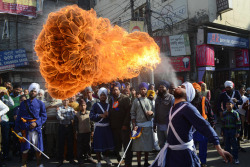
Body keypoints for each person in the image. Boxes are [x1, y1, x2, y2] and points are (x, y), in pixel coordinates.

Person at [151, 82, 232, 167]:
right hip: (171, 153)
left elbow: (205, 126)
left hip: (184, 156)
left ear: (188, 93)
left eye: (183, 87)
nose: (178, 86)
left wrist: (219, 148)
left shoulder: (188, 108)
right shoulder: (173, 107)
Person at [14, 83, 47, 167]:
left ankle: (38, 164)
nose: (33, 92)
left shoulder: (40, 103)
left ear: (37, 93)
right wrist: (17, 129)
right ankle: (24, 164)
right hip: (25, 128)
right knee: (25, 149)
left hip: (36, 129)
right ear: (29, 92)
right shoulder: (23, 103)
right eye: (32, 91)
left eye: (35, 91)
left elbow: (44, 116)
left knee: (38, 148)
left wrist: (36, 123)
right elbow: (19, 117)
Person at [109, 82, 132, 167]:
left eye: (116, 90)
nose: (115, 92)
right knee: (117, 146)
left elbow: (128, 113)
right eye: (113, 90)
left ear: (119, 90)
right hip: (114, 127)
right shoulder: (111, 99)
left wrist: (125, 124)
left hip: (124, 127)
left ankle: (128, 163)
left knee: (126, 146)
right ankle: (120, 160)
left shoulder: (125, 99)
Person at [191, 83, 215, 167]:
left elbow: (211, 114)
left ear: (199, 90)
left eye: (196, 90)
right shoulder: (188, 101)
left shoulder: (205, 100)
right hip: (192, 127)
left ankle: (203, 162)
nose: (194, 92)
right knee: (191, 146)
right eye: (193, 90)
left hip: (203, 127)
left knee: (203, 146)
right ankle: (193, 162)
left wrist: (212, 125)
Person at [131, 82, 154, 167]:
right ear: (139, 90)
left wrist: (152, 113)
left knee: (147, 147)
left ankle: (146, 162)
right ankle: (139, 163)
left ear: (147, 90)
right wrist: (134, 126)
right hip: (138, 127)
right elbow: (132, 113)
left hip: (148, 126)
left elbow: (154, 113)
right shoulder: (136, 101)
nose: (143, 90)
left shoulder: (150, 101)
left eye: (144, 89)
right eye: (141, 89)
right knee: (138, 147)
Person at [90, 87, 114, 167]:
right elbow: (91, 116)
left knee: (107, 144)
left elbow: (113, 116)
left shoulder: (109, 105)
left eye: (104, 95)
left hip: (107, 128)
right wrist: (101, 115)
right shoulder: (95, 105)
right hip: (99, 128)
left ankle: (106, 157)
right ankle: (99, 161)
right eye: (101, 95)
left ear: (106, 96)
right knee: (98, 145)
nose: (103, 96)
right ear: (99, 96)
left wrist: (109, 114)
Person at [74, 99, 96, 166]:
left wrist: (92, 131)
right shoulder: (77, 115)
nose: (83, 107)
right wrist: (76, 132)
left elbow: (92, 123)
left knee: (88, 146)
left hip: (88, 132)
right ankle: (80, 159)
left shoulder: (89, 113)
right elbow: (75, 124)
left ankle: (89, 157)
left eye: (84, 105)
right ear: (79, 106)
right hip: (80, 133)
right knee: (80, 147)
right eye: (81, 106)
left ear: (86, 106)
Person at [153, 81, 174, 149]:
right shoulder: (157, 98)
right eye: (159, 87)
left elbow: (173, 111)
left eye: (162, 87)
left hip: (168, 125)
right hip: (159, 125)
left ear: (167, 88)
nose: (160, 89)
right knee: (161, 143)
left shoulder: (171, 98)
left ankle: (170, 158)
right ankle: (163, 158)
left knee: (170, 143)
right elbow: (155, 111)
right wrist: (154, 124)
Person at [57, 98, 77, 166]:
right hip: (62, 127)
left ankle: (71, 159)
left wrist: (64, 116)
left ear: (68, 101)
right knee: (61, 143)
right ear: (62, 101)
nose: (65, 101)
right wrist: (68, 117)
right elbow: (58, 117)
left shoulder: (71, 109)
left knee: (70, 143)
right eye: (64, 100)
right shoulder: (59, 108)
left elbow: (73, 117)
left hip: (69, 127)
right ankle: (61, 159)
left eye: (67, 100)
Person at [221, 100, 241, 164]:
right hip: (226, 131)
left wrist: (238, 132)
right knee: (227, 146)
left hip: (233, 131)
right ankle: (228, 158)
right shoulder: (224, 113)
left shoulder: (235, 113)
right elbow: (223, 123)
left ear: (232, 105)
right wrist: (222, 131)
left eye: (229, 104)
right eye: (227, 104)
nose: (228, 105)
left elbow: (238, 123)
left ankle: (236, 158)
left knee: (234, 145)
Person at [44, 94, 61, 158]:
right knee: (49, 140)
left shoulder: (60, 102)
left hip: (57, 123)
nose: (51, 96)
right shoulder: (45, 104)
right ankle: (49, 153)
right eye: (50, 95)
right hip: (48, 123)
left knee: (57, 139)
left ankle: (57, 153)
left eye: (52, 95)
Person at [0, 87, 14, 160]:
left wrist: (8, 95)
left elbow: (11, 104)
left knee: (6, 139)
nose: (1, 93)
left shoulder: (5, 99)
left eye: (3, 92)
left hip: (5, 121)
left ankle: (5, 155)